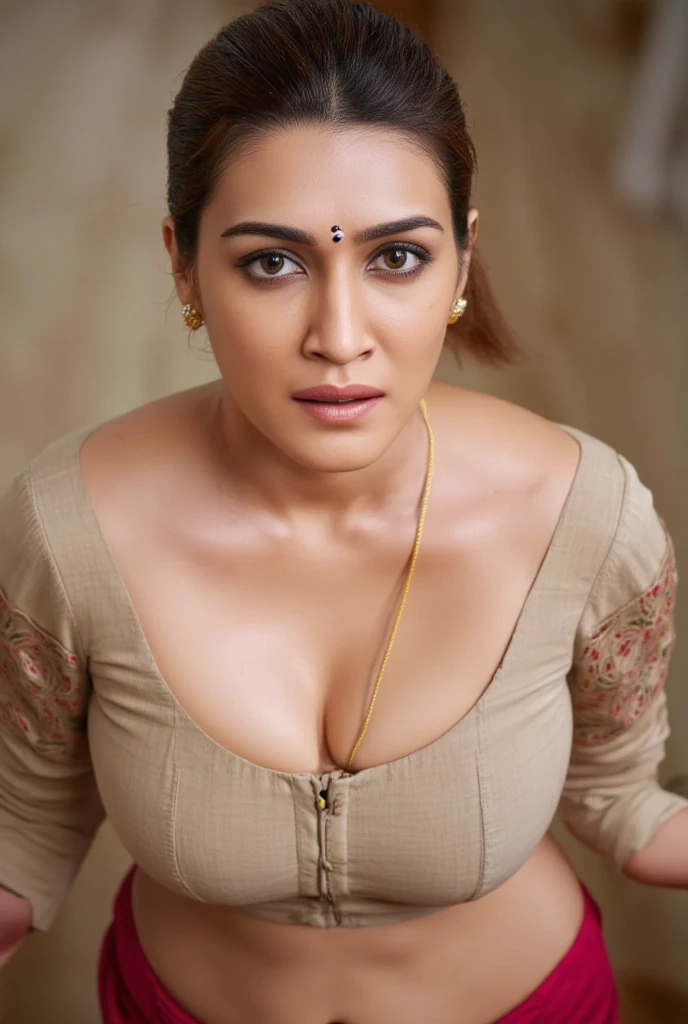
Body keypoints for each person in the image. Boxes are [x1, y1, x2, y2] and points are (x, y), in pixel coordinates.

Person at [1, 1, 686, 1021]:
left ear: (460, 260)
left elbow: (619, 796)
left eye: (396, 257)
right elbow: (31, 818)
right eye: (270, 261)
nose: (339, 334)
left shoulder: (584, 517)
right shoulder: (71, 527)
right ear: (183, 265)